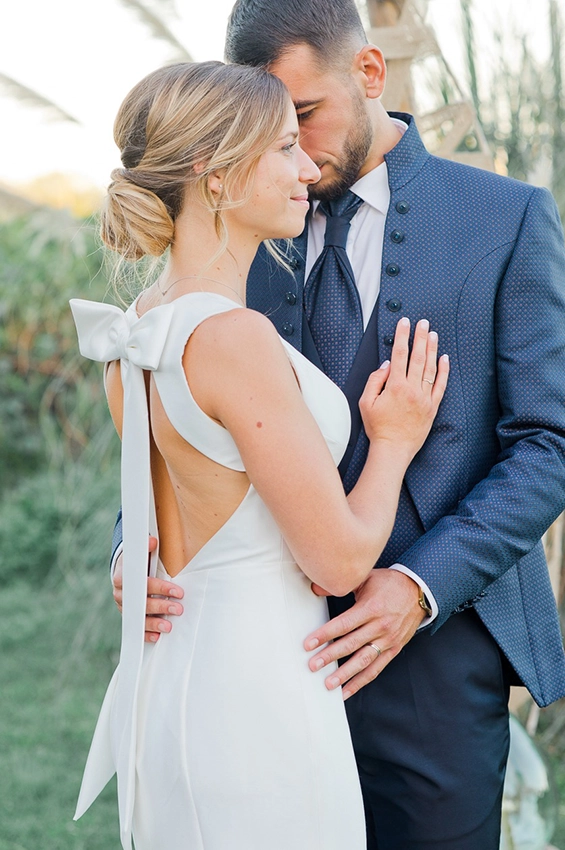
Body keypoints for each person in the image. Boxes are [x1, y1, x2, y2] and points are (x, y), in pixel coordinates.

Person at [111, 1, 565, 848]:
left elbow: (549, 443)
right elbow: (177, 402)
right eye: (267, 128)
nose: (293, 151)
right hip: (257, 663)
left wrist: (420, 586)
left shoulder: (504, 219)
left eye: (302, 118)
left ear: (367, 74)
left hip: (435, 651)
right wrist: (134, 544)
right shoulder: (238, 222)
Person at [71, 60, 447, 850]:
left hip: (178, 674)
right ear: (214, 173)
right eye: (283, 148)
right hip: (255, 693)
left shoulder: (137, 326)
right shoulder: (233, 339)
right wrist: (394, 441)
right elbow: (340, 562)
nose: (307, 168)